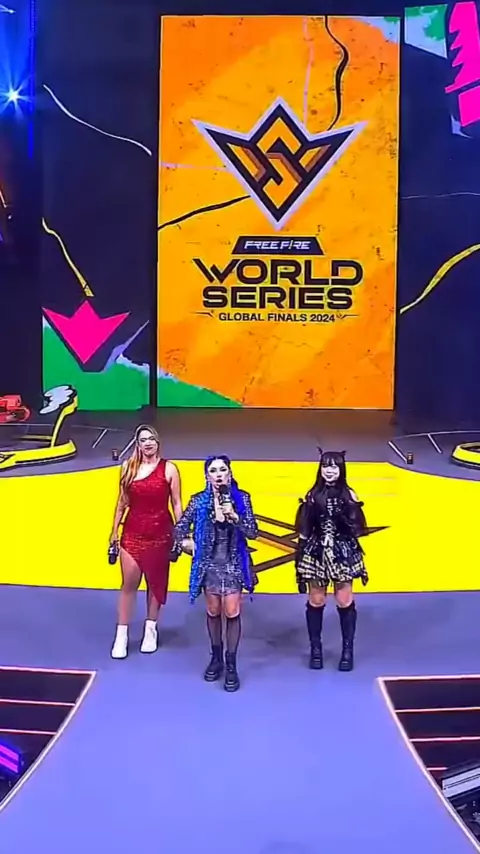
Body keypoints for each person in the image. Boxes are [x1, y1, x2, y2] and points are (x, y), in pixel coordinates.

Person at [174, 455, 258, 692]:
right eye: (213, 470)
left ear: (230, 474)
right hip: (209, 564)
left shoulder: (242, 498)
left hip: (233, 563)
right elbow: (179, 528)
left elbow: (253, 532)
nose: (219, 474)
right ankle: (216, 657)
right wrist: (186, 543)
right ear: (207, 476)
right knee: (213, 611)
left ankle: (231, 665)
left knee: (231, 612)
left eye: (223, 470)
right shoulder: (199, 501)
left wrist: (235, 517)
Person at [109, 425, 183, 659]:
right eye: (143, 440)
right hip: (132, 532)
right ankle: (121, 635)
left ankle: (150, 629)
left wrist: (181, 533)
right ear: (138, 444)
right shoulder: (127, 468)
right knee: (128, 584)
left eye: (151, 439)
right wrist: (114, 532)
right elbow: (121, 503)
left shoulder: (169, 469)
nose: (148, 443)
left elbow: (177, 503)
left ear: (157, 442)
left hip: (161, 533)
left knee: (155, 583)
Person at [295, 449, 368, 672]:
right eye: (326, 466)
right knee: (316, 600)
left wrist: (351, 509)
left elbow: (358, 529)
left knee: (344, 600)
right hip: (316, 552)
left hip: (342, 552)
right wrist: (299, 561)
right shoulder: (312, 496)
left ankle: (347, 651)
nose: (329, 471)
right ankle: (315, 649)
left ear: (341, 469)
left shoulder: (349, 495)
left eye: (334, 466)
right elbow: (304, 531)